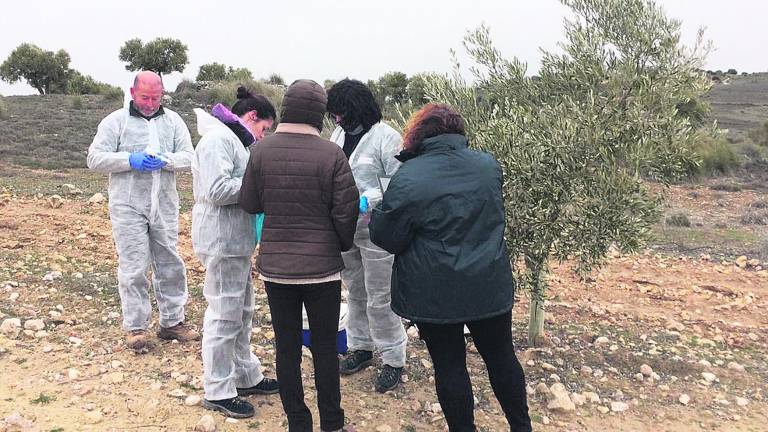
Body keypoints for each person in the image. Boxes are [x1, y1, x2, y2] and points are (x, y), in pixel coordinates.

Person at [368, 104, 533, 432]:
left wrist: (378, 214)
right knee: (502, 358)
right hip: (488, 285)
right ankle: (521, 427)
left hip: (434, 293)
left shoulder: (410, 176)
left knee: (449, 366)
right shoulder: (488, 166)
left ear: (417, 134)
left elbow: (389, 238)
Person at [240, 79, 359, 432]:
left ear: (287, 106)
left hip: (277, 269)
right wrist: (338, 244)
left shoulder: (261, 151)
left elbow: (249, 202)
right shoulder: (331, 153)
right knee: (324, 349)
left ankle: (298, 422)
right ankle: (333, 424)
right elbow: (346, 210)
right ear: (319, 113)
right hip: (322, 271)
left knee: (287, 347)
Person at [87, 71, 199, 352]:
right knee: (134, 265)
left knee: (170, 261)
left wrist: (165, 160)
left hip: (164, 203)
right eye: (145, 97)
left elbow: (190, 156)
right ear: (133, 92)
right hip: (128, 204)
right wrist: (129, 160)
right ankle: (136, 327)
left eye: (156, 97)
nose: (150, 103)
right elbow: (95, 158)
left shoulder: (173, 121)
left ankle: (172, 322)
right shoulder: (116, 121)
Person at [191, 87, 280, 418]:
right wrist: (261, 187)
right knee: (224, 313)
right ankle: (218, 389)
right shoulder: (217, 140)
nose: (263, 136)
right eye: (264, 129)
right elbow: (216, 190)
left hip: (235, 239)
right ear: (252, 117)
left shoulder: (234, 140)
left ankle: (245, 374)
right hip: (221, 238)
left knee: (242, 310)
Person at [326, 79, 407, 393]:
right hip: (344, 228)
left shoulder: (387, 138)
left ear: (356, 107)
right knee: (355, 290)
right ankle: (360, 347)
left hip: (375, 230)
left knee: (380, 295)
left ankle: (393, 358)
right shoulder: (337, 135)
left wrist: (368, 199)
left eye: (340, 112)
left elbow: (397, 183)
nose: (336, 118)